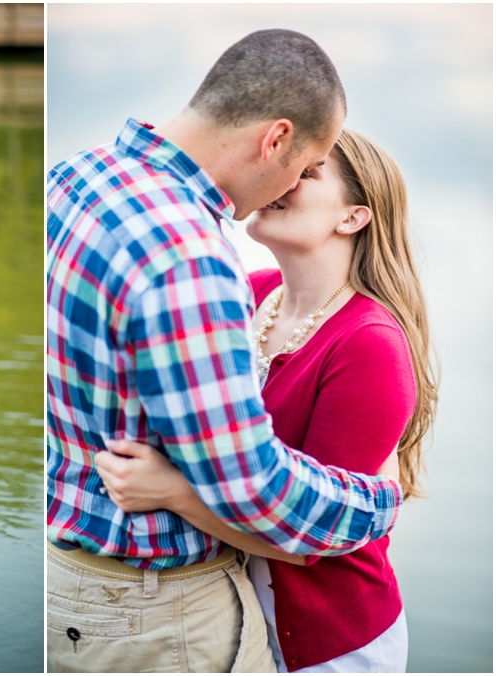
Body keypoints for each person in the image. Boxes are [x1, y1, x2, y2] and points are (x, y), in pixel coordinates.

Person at [46, 29, 403, 672]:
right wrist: (379, 502)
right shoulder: (196, 261)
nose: (292, 181)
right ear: (275, 140)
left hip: (78, 572)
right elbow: (251, 484)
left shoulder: (75, 178)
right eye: (305, 163)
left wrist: (174, 489)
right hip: (154, 611)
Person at [96, 128, 437, 673]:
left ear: (352, 217)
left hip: (331, 647)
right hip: (232, 620)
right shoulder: (246, 291)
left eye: (307, 172)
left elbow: (312, 539)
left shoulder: (370, 344)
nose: (281, 178)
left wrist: (174, 492)